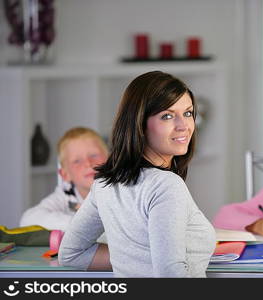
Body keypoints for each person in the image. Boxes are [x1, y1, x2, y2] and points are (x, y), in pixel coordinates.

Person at [58, 71, 216, 277]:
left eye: (187, 113)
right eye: (167, 116)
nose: (184, 126)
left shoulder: (105, 183)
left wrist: (132, 259)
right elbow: (171, 276)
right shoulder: (166, 185)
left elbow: (71, 254)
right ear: (139, 124)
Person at [20, 127, 109, 231]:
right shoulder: (67, 194)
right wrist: (82, 224)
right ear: (65, 175)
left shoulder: (121, 189)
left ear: (111, 159)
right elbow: (28, 220)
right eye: (77, 161)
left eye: (94, 155)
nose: (88, 163)